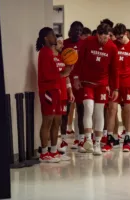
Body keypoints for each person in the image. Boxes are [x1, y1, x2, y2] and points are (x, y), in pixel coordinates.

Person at [73, 23, 119, 155]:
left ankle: (97, 142)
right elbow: (79, 60)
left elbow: (114, 70)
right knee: (88, 107)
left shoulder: (112, 47)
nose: (104, 40)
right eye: (102, 38)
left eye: (107, 38)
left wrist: (115, 88)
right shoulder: (87, 42)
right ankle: (88, 140)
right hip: (87, 82)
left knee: (99, 111)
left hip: (102, 85)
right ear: (97, 35)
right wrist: (76, 78)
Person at [102, 23, 130, 153]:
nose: (118, 40)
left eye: (120, 37)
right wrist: (107, 84)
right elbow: (108, 66)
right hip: (114, 84)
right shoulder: (113, 46)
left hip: (129, 83)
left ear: (125, 34)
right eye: (116, 37)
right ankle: (111, 138)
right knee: (111, 110)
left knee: (128, 111)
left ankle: (128, 138)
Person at [36, 27, 72, 162]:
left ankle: (53, 150)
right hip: (48, 91)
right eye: (52, 35)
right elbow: (47, 75)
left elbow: (57, 73)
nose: (55, 38)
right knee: (48, 121)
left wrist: (67, 70)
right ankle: (44, 153)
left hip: (56, 90)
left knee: (56, 121)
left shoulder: (51, 53)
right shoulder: (44, 52)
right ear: (46, 38)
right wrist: (63, 73)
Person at [63, 21, 85, 150]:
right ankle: (64, 139)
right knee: (65, 111)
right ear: (70, 30)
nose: (77, 32)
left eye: (80, 30)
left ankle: (80, 139)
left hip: (80, 82)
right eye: (75, 29)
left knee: (81, 110)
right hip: (66, 80)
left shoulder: (84, 44)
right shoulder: (65, 44)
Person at [53, 35, 75, 154]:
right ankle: (53, 146)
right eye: (60, 43)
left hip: (64, 93)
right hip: (54, 92)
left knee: (63, 117)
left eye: (62, 43)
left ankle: (63, 141)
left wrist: (70, 91)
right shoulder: (51, 57)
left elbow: (66, 77)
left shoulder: (63, 58)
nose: (62, 45)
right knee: (54, 120)